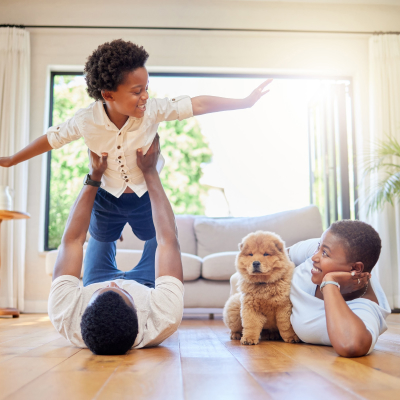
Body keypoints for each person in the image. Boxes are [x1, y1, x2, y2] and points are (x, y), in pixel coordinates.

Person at [0, 39, 272, 268]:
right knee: (102, 236)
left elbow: (197, 103)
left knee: (157, 236)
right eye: (136, 91)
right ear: (108, 94)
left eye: (146, 88)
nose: (145, 96)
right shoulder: (86, 120)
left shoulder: (152, 110)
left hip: (144, 195)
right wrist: (12, 160)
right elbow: (51, 139)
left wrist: (244, 103)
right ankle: (112, 237)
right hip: (107, 197)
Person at [48, 134, 185, 355]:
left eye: (104, 291)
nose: (114, 284)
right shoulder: (163, 317)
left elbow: (72, 240)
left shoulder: (65, 314)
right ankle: (127, 204)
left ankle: (111, 223)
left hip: (96, 280)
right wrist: (150, 172)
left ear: (84, 311)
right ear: (139, 314)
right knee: (157, 240)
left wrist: (94, 176)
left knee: (99, 235)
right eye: (122, 292)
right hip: (146, 286)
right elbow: (168, 240)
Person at [289, 220, 391, 357]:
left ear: (355, 268)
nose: (314, 256)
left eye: (325, 253)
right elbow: (275, 254)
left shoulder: (365, 307)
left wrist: (330, 283)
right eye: (319, 247)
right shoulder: (322, 248)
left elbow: (350, 345)